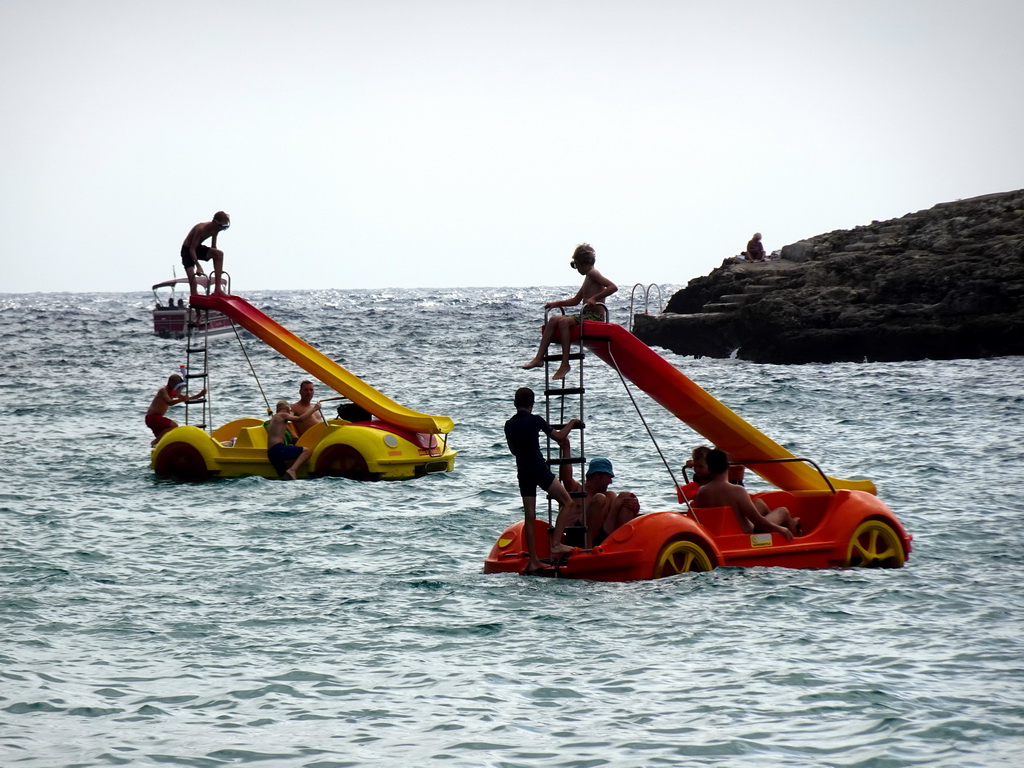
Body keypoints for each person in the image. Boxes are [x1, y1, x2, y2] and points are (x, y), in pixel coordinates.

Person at [504, 387, 579, 574]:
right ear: (532, 404)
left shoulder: (509, 424)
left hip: (523, 470)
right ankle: (555, 544)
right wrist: (572, 422)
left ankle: (534, 561)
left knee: (530, 517)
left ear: (515, 403)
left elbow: (513, 450)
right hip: (538, 468)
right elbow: (560, 437)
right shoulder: (535, 420)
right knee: (567, 502)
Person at [522, 243, 618, 381]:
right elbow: (575, 300)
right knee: (553, 320)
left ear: (581, 263)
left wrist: (594, 298)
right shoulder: (588, 278)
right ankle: (539, 358)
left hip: (594, 316)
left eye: (575, 265)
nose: (576, 268)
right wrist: (556, 304)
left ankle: (565, 364)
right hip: (586, 315)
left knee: (563, 322)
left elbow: (613, 287)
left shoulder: (593, 273)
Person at [693, 449, 799, 539]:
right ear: (728, 466)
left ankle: (785, 527)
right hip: (746, 533)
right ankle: (796, 537)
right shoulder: (737, 491)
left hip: (722, 534)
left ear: (709, 468)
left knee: (759, 503)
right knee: (783, 511)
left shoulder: (702, 491)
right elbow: (759, 522)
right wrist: (781, 529)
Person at [556, 449, 640, 548]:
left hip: (601, 537)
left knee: (625, 496)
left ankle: (625, 544)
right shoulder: (576, 489)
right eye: (609, 477)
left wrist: (635, 508)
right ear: (598, 476)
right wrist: (566, 448)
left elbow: (619, 515)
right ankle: (588, 549)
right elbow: (566, 478)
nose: (610, 482)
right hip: (579, 538)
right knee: (599, 498)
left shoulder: (609, 497)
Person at [145, 373, 206, 446]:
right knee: (173, 425)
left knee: (163, 437)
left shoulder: (172, 393)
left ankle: (158, 446)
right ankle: (154, 442)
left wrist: (199, 395)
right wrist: (180, 399)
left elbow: (187, 398)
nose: (178, 390)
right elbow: (169, 402)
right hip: (152, 418)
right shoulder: (163, 390)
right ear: (171, 384)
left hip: (156, 418)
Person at [181, 211, 230, 296]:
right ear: (214, 222)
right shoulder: (201, 229)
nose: (221, 229)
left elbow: (213, 247)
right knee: (193, 283)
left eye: (225, 227)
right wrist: (198, 266)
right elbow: (192, 249)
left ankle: (217, 289)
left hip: (197, 248)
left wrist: (218, 269)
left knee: (219, 254)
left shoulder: (215, 230)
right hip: (187, 250)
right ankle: (196, 305)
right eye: (222, 226)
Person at [266, 401, 311, 480]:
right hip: (278, 449)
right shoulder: (283, 415)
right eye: (290, 410)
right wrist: (314, 409)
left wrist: (293, 435)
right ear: (287, 409)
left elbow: (284, 427)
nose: (290, 412)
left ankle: (289, 473)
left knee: (285, 478)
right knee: (307, 451)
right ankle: (292, 470)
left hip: (271, 453)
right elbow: (300, 419)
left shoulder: (275, 418)